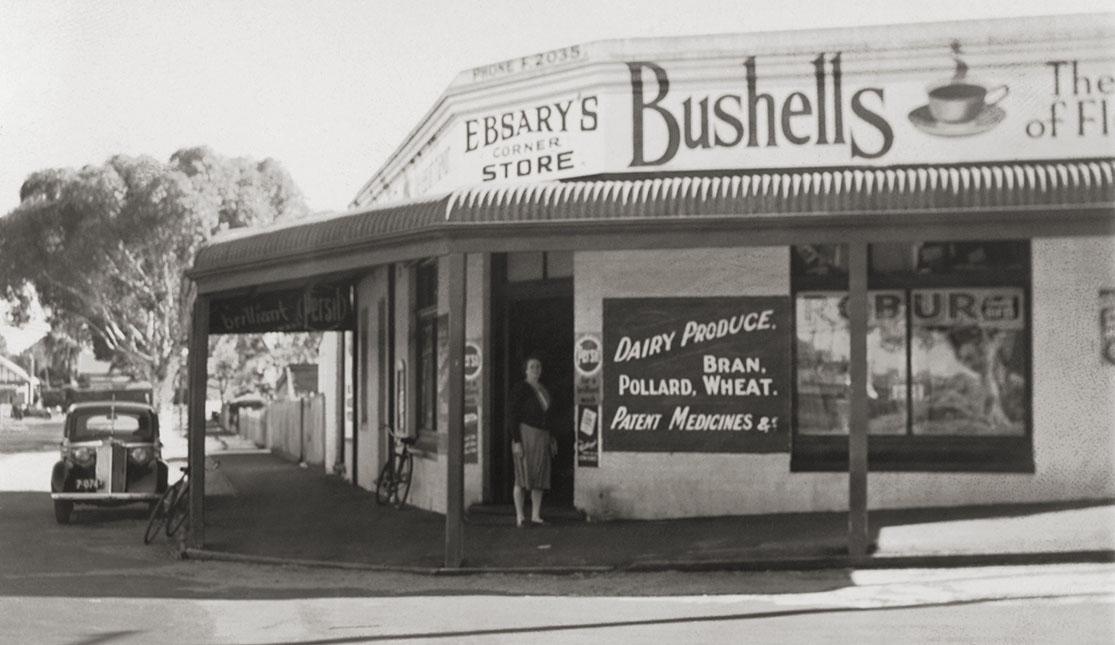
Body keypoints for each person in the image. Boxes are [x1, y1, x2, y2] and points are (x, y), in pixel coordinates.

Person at [509, 354, 556, 527]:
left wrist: (551, 437)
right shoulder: (521, 388)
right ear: (526, 370)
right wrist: (516, 441)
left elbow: (549, 416)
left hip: (542, 436)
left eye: (538, 367)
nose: (536, 370)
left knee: (540, 476)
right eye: (532, 367)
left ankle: (536, 515)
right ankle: (520, 516)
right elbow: (512, 415)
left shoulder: (543, 390)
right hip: (525, 434)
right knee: (521, 476)